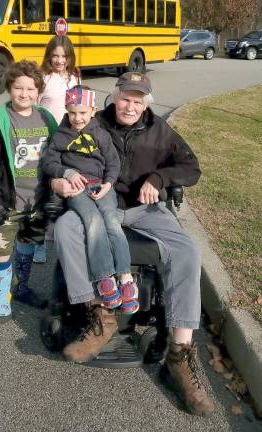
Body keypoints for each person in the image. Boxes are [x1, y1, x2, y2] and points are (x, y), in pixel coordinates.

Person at [51, 72, 215, 416]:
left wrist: (159, 178)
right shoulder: (92, 122)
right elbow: (58, 153)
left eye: (138, 100)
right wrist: (59, 181)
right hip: (95, 203)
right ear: (115, 97)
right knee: (66, 228)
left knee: (187, 250)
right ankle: (100, 314)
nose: (131, 105)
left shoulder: (159, 131)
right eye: (126, 97)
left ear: (145, 104)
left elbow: (191, 167)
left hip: (144, 210)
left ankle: (179, 354)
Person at [0, 60, 57, 331]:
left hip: (37, 201)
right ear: (9, 88)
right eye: (18, 88)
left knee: (27, 243)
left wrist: (55, 192)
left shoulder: (46, 118)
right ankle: (2, 306)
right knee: (1, 251)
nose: (24, 94)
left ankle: (22, 288)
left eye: (30, 88)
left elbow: (56, 156)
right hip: (8, 203)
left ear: (38, 91)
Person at [43, 85, 139, 313]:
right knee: (92, 221)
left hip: (102, 187)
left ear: (93, 110)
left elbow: (114, 163)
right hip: (77, 188)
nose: (77, 118)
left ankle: (125, 277)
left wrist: (108, 185)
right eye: (73, 112)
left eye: (83, 112)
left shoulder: (100, 134)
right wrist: (67, 173)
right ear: (66, 110)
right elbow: (49, 163)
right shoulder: (60, 135)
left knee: (111, 223)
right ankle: (104, 277)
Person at [33, 34, 81, 263]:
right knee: (42, 189)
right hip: (45, 141)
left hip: (68, 141)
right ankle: (38, 240)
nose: (59, 60)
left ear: (70, 57)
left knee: (61, 191)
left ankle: (57, 236)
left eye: (63, 56)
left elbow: (79, 106)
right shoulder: (43, 77)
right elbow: (33, 108)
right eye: (55, 56)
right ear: (49, 56)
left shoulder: (74, 77)